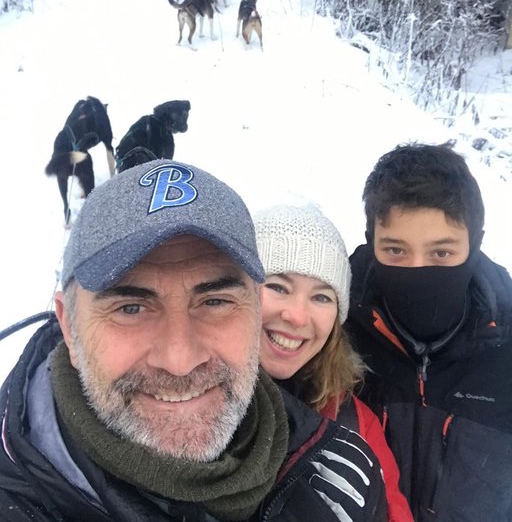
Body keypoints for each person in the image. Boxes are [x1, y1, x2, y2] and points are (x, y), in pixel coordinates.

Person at [0, 160, 388, 522]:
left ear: (255, 309)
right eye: (131, 308)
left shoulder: (342, 481)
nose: (180, 361)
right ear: (69, 326)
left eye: (215, 302)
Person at [346, 141, 512, 521]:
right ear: (372, 241)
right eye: (395, 250)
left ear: (474, 244)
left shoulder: (506, 350)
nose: (417, 269)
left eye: (441, 253)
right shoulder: (333, 333)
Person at [254, 204, 413, 522]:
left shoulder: (355, 423)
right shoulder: (176, 397)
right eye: (278, 287)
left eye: (321, 297)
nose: (297, 317)